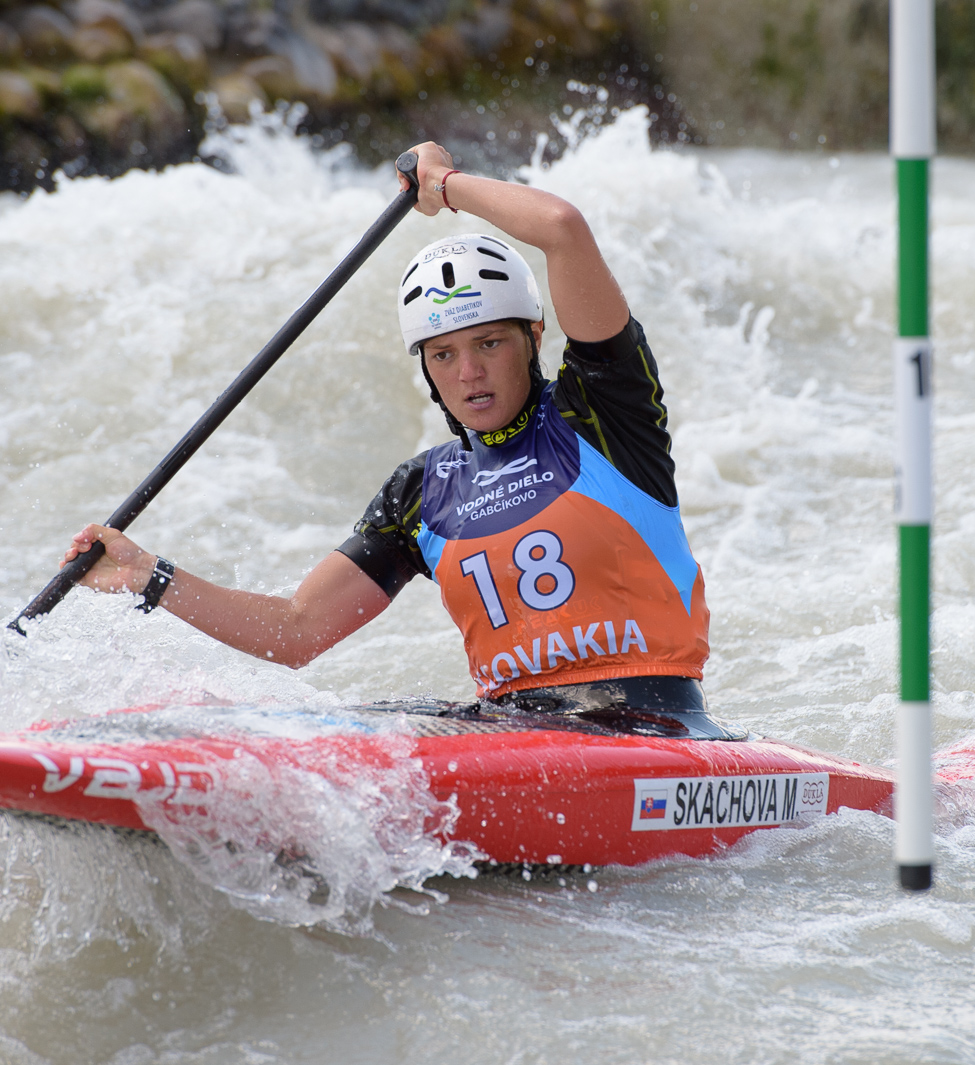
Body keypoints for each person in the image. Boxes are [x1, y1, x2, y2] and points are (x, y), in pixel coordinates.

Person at [61, 141, 723, 731]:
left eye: (489, 342)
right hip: (510, 732)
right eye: (443, 355)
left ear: (534, 338)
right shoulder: (422, 492)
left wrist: (444, 184)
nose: (468, 372)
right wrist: (150, 575)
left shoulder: (605, 415)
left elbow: (562, 229)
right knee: (328, 723)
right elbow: (297, 631)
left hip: (653, 726)